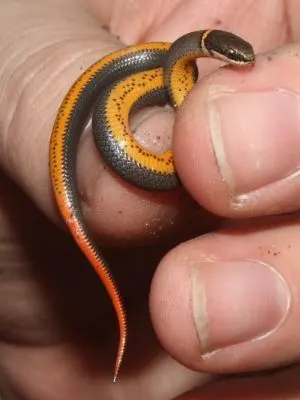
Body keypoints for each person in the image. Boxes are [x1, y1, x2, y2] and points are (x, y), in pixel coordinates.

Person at [1, 0, 300, 398]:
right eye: (233, 56)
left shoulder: (182, 70)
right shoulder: (177, 67)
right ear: (213, 52)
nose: (240, 60)